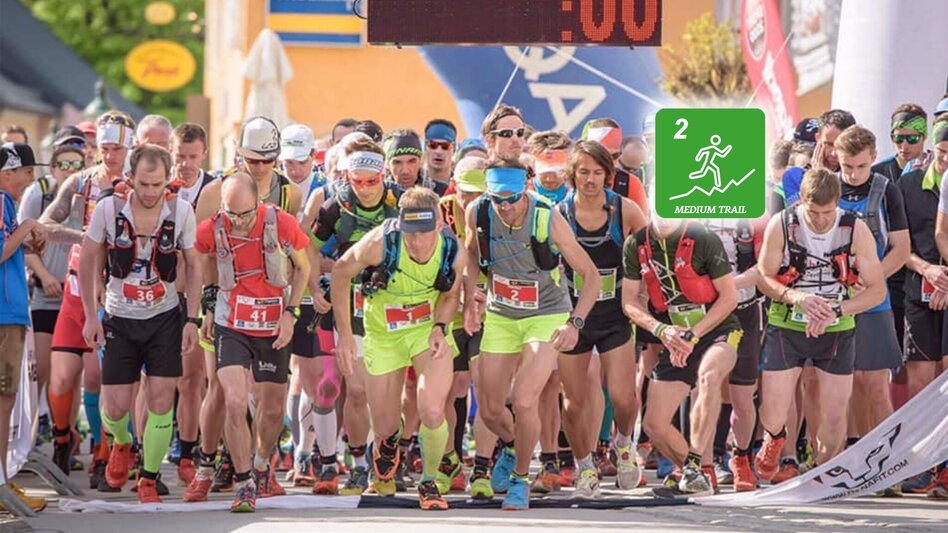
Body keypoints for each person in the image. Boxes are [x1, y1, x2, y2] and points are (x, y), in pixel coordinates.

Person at [462, 158, 601, 510]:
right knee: (492, 408)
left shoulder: (547, 215)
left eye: (511, 198)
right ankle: (512, 445)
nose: (505, 207)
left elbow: (591, 275)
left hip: (546, 314)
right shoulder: (478, 212)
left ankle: (521, 478)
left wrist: (575, 323)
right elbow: (471, 255)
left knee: (525, 399)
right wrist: (470, 297)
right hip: (500, 314)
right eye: (498, 199)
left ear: (525, 187)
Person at [78, 144, 201, 503]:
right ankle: (122, 441)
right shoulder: (109, 209)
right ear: (130, 179)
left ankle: (148, 476)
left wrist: (192, 319)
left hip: (164, 318)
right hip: (119, 317)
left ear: (168, 181)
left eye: (158, 185)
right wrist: (90, 315)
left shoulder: (180, 211)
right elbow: (87, 261)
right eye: (144, 184)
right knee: (114, 408)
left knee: (162, 400)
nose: (150, 193)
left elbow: (195, 266)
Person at [332, 186, 463, 509]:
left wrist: (439, 327)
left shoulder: (452, 249)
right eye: (409, 233)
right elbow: (339, 273)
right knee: (386, 423)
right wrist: (346, 337)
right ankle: (389, 445)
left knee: (432, 408)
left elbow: (449, 294)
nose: (416, 241)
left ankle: (430, 482)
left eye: (423, 233)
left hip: (425, 332)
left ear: (438, 225)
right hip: (384, 334)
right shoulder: (381, 241)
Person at [756, 169, 885, 481]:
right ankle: (775, 439)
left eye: (828, 212)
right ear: (802, 201)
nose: (821, 220)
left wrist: (836, 310)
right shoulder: (783, 224)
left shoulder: (854, 228)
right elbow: (763, 277)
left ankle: (823, 469)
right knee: (773, 411)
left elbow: (877, 290)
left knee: (834, 414)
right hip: (788, 324)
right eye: (814, 212)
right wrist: (797, 298)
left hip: (835, 329)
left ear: (838, 204)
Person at [193, 172, 311, 512]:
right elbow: (199, 254)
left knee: (272, 410)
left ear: (258, 204)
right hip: (232, 323)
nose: (239, 222)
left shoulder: (281, 223)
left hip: (272, 323)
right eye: (232, 214)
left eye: (245, 215)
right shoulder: (214, 227)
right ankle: (243, 483)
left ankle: (261, 466)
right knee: (232, 399)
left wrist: (291, 313)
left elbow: (302, 267)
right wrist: (208, 303)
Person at [622, 192, 742, 495]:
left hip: (715, 329)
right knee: (654, 424)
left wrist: (693, 335)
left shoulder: (702, 237)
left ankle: (703, 464)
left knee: (709, 376)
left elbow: (729, 298)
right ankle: (693, 472)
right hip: (673, 333)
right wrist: (661, 331)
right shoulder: (636, 244)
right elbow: (630, 302)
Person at [40, 111, 136, 486]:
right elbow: (46, 223)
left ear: (130, 148)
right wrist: (84, 238)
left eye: (118, 148)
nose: (111, 155)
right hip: (75, 291)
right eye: (106, 147)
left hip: (113, 294)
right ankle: (64, 437)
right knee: (61, 379)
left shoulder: (136, 185)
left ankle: (104, 449)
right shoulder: (81, 183)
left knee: (97, 377)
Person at [309, 138, 404, 495]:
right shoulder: (336, 206)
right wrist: (316, 288)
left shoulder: (400, 204)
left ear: (383, 175)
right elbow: (308, 246)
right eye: (356, 181)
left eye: (371, 181)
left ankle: (389, 455)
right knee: (359, 390)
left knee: (390, 391)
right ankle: (360, 464)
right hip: (352, 305)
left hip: (394, 304)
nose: (363, 189)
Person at [558, 140, 646, 497]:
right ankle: (583, 464)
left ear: (609, 175)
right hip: (572, 315)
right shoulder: (558, 214)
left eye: (597, 173)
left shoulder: (625, 211)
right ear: (572, 174)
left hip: (613, 314)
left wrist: (642, 302)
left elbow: (650, 254)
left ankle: (623, 443)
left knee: (624, 397)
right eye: (583, 172)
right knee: (573, 402)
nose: (591, 180)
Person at [834, 126, 909, 461]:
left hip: (875, 300)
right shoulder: (826, 187)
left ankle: (885, 459)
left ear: (873, 159)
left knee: (875, 383)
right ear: (837, 157)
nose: (853, 173)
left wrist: (870, 280)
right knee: (841, 384)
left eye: (861, 167)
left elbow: (901, 249)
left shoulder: (886, 191)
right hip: (833, 299)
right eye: (847, 166)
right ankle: (847, 456)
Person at [433, 157, 495, 497]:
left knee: (486, 390)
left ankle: (483, 466)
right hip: (449, 309)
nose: (471, 202)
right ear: (455, 186)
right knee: (449, 388)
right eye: (466, 194)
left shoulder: (497, 209)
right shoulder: (440, 209)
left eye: (478, 194)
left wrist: (488, 293)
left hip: (489, 311)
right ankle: (450, 460)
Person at [699, 215, 766, 492]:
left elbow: (766, 266)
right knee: (705, 385)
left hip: (745, 308)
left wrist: (727, 286)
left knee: (743, 393)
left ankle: (741, 457)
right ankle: (703, 463)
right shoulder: (689, 202)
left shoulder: (755, 205)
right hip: (703, 309)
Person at [0, 143, 49, 513]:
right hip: (5, 314)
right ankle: (1, 484)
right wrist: (29, 226)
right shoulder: (2, 200)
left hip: (10, 313)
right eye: (26, 172)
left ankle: (3, 480)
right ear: (8, 173)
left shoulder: (8, 203)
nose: (30, 180)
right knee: (3, 402)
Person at [17, 145, 85, 399]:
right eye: (64, 165)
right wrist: (44, 276)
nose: (71, 171)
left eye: (77, 165)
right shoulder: (40, 197)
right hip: (47, 293)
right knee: (42, 370)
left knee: (71, 374)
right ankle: (34, 429)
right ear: (53, 169)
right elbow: (25, 244)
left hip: (77, 296)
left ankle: (66, 433)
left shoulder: (87, 199)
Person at [581, 118, 648, 215]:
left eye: (615, 156)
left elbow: (643, 227)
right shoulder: (572, 181)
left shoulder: (631, 184)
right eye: (602, 156)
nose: (609, 162)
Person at [873, 104, 929, 182]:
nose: (904, 146)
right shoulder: (876, 174)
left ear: (924, 137)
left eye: (912, 138)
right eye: (898, 138)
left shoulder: (936, 171)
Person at [384, 129, 449, 196]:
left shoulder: (441, 192)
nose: (405, 171)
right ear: (387, 164)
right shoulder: (379, 195)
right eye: (397, 162)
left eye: (412, 161)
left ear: (421, 161)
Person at [527, 130, 571, 204]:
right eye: (544, 172)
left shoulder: (577, 190)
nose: (550, 179)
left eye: (556, 171)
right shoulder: (524, 190)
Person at [423, 119, 457, 186]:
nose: (439, 152)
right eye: (433, 145)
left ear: (454, 149)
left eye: (445, 146)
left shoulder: (460, 187)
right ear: (425, 147)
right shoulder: (412, 183)